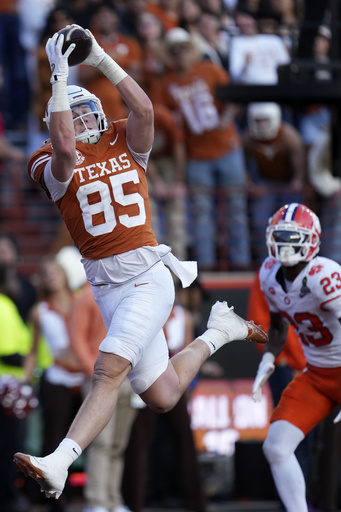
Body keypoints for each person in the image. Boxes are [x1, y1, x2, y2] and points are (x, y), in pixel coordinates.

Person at [13, 23, 267, 500]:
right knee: (164, 395)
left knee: (109, 371)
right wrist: (60, 75)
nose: (86, 123)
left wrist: (101, 58)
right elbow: (65, 148)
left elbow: (145, 108)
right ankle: (219, 330)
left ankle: (60, 461)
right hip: (108, 289)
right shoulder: (47, 158)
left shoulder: (123, 139)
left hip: (147, 277)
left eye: (90, 113)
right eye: (75, 116)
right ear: (58, 121)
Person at [252, 202, 341, 512]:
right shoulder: (268, 273)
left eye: (294, 237)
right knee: (276, 447)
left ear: (312, 240)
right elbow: (277, 327)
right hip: (316, 375)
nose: (286, 245)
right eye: (282, 236)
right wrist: (268, 359)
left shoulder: (325, 275)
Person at [150, 27, 251, 271]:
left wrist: (228, 116)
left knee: (236, 207)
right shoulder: (163, 84)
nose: (180, 54)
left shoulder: (210, 70)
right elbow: (161, 122)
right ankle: (205, 266)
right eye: (174, 51)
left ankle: (241, 263)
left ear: (191, 50)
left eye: (184, 48)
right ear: (169, 55)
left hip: (227, 148)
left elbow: (233, 98)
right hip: (195, 157)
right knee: (202, 213)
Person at [69, 277, 136, 512]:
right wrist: (95, 373)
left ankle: (112, 500)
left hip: (128, 379)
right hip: (102, 379)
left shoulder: (132, 292)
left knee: (118, 445)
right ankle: (96, 501)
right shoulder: (87, 295)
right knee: (101, 443)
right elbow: (77, 338)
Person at [242, 102, 305, 266]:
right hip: (265, 184)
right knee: (260, 221)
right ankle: (266, 260)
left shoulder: (289, 136)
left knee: (291, 222)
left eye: (265, 121)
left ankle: (293, 259)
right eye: (258, 121)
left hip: (287, 184)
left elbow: (299, 163)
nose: (262, 126)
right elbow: (242, 162)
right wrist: (250, 183)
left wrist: (297, 180)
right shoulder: (248, 138)